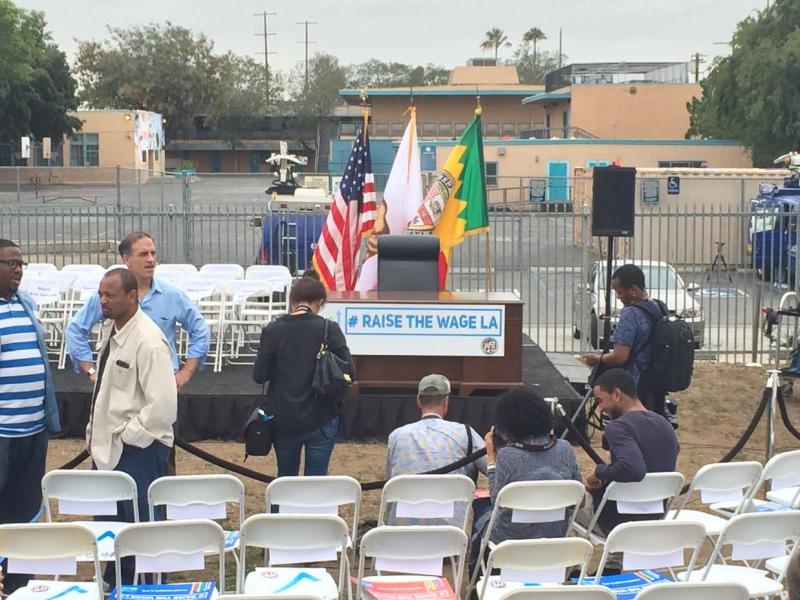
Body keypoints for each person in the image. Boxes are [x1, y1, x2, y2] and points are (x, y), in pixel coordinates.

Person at [86, 268, 177, 584]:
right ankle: (116, 585)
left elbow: (163, 407)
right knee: (110, 530)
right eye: (100, 294)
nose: (103, 301)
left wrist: (128, 437)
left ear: (132, 296)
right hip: (107, 451)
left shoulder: (149, 340)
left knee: (141, 531)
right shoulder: (114, 331)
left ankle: (150, 587)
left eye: (110, 295)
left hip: (138, 452)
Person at [67, 231, 209, 390]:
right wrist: (91, 371)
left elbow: (201, 330)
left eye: (153, 253)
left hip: (161, 383)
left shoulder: (172, 295)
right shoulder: (109, 295)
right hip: (118, 386)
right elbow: (75, 329)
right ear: (127, 260)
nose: (150, 260)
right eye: (143, 254)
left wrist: (186, 373)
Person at [0, 239, 62, 593]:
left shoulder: (26, 305)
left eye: (21, 263)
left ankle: (19, 583)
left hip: (33, 430)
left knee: (24, 510)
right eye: (9, 263)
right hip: (2, 432)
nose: (17, 269)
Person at [253, 270, 354, 477]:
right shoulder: (329, 328)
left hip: (283, 416)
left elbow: (260, 375)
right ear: (321, 302)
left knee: (285, 479)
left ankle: (280, 511)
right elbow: (349, 371)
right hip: (322, 415)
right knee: (316, 482)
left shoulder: (273, 330)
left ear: (293, 300)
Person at [471, 387, 581, 566]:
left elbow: (495, 499)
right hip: (555, 532)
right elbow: (579, 499)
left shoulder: (507, 455)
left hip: (509, 538)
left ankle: (475, 575)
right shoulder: (564, 448)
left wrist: (492, 459)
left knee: (482, 507)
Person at [581, 368, 679, 535]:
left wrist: (599, 472)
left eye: (601, 401)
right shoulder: (664, 424)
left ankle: (570, 557)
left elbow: (632, 468)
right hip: (655, 515)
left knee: (568, 504)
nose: (601, 409)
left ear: (617, 394)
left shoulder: (618, 427)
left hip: (617, 520)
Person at [580, 263, 667, 416]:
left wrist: (598, 359)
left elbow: (620, 357)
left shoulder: (630, 314)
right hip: (657, 380)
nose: (618, 297)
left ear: (633, 289)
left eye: (619, 292)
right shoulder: (658, 307)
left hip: (636, 384)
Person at [385, 373, 487, 481]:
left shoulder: (396, 436)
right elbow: (491, 467)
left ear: (418, 400)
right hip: (453, 497)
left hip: (406, 497)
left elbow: (390, 480)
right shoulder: (465, 433)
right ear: (446, 400)